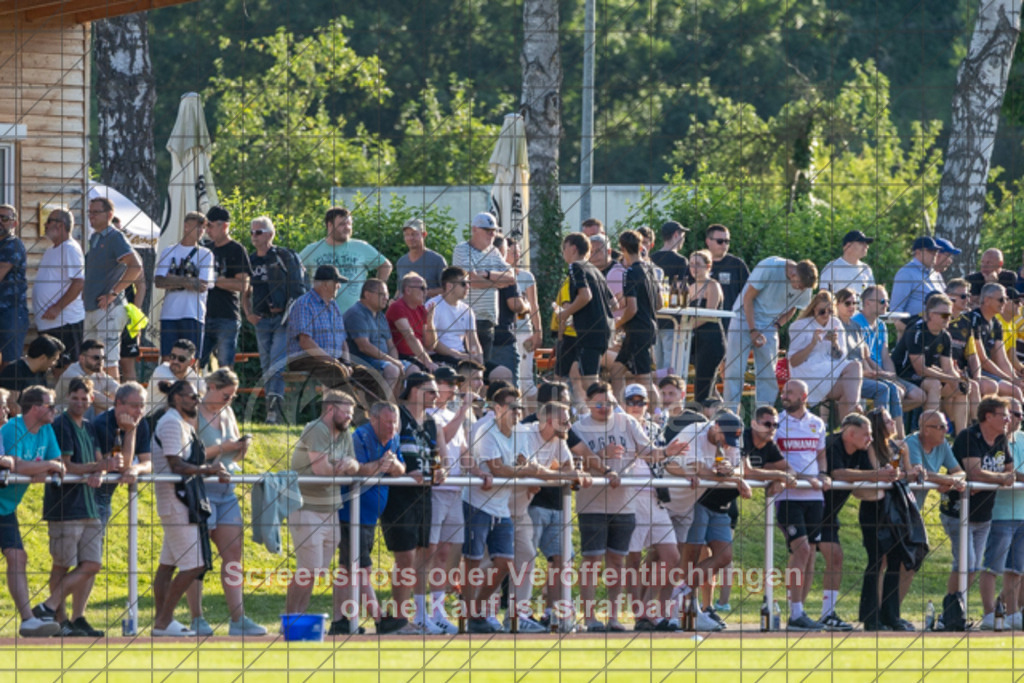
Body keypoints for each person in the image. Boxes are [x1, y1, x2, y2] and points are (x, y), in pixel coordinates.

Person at [573, 381, 685, 632]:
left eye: (610, 403)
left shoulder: (628, 423)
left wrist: (667, 451)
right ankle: (590, 618)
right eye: (600, 404)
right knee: (591, 561)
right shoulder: (578, 428)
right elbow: (574, 464)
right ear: (590, 403)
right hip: (592, 504)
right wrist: (603, 454)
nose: (605, 408)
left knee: (617, 562)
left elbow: (649, 453)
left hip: (624, 503)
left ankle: (613, 617)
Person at [185, 369, 266, 636]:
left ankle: (238, 618)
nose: (228, 400)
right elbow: (190, 456)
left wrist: (241, 448)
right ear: (210, 387)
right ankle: (197, 618)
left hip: (226, 490)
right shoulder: (193, 413)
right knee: (198, 558)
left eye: (232, 396)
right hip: (201, 491)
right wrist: (226, 447)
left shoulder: (228, 412)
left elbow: (233, 455)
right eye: (225, 395)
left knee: (233, 557)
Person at [150, 380, 229, 636]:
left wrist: (213, 469)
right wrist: (209, 469)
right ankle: (163, 621)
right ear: (176, 399)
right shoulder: (171, 422)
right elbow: (176, 465)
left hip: (184, 499)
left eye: (197, 396)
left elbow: (189, 463)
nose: (196, 400)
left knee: (167, 565)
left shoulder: (182, 422)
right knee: (195, 564)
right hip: (177, 500)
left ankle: (163, 623)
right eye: (191, 396)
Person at [461, 387, 540, 633]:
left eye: (519, 407)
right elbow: (497, 469)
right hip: (477, 504)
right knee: (473, 562)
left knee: (505, 562)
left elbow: (524, 463)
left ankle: (475, 611)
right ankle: (467, 617)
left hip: (501, 506)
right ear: (497, 409)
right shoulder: (486, 431)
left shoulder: (520, 433)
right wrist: (524, 471)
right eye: (512, 406)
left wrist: (523, 469)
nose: (518, 412)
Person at [37, 378, 109, 636]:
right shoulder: (61, 425)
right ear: (68, 398)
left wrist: (99, 472)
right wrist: (97, 468)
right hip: (65, 506)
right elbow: (66, 466)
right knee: (62, 564)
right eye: (75, 397)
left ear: (91, 399)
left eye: (84, 398)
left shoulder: (89, 427)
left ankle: (54, 608)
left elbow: (98, 462)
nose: (80, 402)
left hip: (89, 506)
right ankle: (60, 619)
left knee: (92, 564)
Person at [283, 390, 360, 619]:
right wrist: (343, 467)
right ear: (330, 409)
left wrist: (347, 464)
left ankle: (297, 618)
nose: (349, 418)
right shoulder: (316, 429)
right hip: (307, 508)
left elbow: (355, 465)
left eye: (351, 413)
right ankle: (290, 618)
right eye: (345, 413)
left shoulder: (344, 432)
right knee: (308, 570)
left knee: (315, 572)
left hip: (330, 510)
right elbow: (322, 471)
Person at [335, 400, 406, 636]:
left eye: (394, 423)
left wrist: (392, 464)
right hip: (351, 513)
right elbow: (358, 470)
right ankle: (379, 619)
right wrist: (381, 465)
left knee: (347, 568)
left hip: (369, 516)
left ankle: (341, 620)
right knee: (360, 566)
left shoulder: (394, 438)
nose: (391, 428)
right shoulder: (360, 437)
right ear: (373, 419)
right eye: (387, 422)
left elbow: (401, 469)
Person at [383, 373, 446, 635]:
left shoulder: (432, 422)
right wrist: (403, 473)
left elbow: (441, 457)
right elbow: (384, 449)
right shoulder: (397, 414)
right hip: (398, 493)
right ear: (412, 391)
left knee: (422, 555)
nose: (436, 396)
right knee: (405, 557)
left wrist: (441, 470)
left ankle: (415, 616)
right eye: (430, 391)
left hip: (424, 494)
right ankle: (398, 618)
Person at [0, 386, 66, 637]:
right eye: (50, 405)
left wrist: (41, 468)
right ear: (36, 407)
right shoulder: (12, 428)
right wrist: (43, 466)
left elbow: (58, 465)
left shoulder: (46, 430)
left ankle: (28, 620)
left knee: (18, 557)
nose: (54, 410)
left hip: (5, 508)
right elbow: (16, 464)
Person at [679, 410, 753, 631]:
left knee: (723, 556)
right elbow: (697, 467)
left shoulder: (732, 441)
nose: (727, 444)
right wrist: (732, 477)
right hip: (697, 499)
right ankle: (687, 606)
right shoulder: (695, 433)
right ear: (715, 427)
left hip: (720, 505)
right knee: (690, 553)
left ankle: (681, 593)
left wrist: (732, 471)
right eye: (725, 438)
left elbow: (740, 467)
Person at [767, 379, 830, 631]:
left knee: (810, 554)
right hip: (789, 496)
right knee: (801, 550)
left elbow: (820, 454)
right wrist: (799, 477)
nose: (785, 395)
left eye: (790, 392)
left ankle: (800, 613)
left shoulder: (817, 423)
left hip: (814, 497)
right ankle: (795, 613)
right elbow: (773, 457)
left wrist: (823, 474)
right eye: (784, 392)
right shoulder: (777, 423)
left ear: (803, 396)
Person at [953, 396, 1015, 628]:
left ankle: (956, 612)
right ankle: (951, 613)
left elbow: (1009, 471)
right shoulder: (968, 436)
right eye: (1004, 415)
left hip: (984, 513)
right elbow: (974, 472)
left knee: (973, 566)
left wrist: (1002, 478)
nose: (1008, 420)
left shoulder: (1000, 439)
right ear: (988, 416)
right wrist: (1001, 478)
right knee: (966, 564)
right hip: (959, 510)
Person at [723, 256, 817, 408]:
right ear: (793, 274)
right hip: (743, 318)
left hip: (769, 325)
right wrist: (753, 329)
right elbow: (748, 298)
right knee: (735, 370)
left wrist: (777, 326)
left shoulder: (805, 284)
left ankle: (764, 416)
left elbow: (793, 307)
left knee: (768, 375)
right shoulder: (769, 266)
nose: (801, 290)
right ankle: (729, 415)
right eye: (799, 286)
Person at [900, 410, 965, 605]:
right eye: (941, 427)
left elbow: (960, 472)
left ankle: (893, 612)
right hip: (896, 510)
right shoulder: (913, 442)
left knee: (910, 563)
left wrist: (949, 481)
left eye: (946, 426)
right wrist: (945, 480)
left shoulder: (942, 445)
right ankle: (882, 614)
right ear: (925, 430)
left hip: (912, 513)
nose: (946, 431)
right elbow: (920, 474)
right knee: (892, 563)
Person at [849, 409, 906, 631]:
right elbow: (878, 473)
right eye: (887, 420)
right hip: (873, 507)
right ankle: (871, 616)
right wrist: (890, 473)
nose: (893, 422)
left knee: (896, 559)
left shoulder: (897, 448)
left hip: (894, 506)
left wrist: (913, 470)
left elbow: (901, 473)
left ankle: (891, 615)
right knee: (876, 560)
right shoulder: (871, 447)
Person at [243, 216, 298, 424]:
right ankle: (271, 411)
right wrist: (248, 313)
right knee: (267, 364)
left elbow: (297, 286)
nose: (253, 237)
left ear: (269, 234)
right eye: (251, 232)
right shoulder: (250, 260)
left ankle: (274, 412)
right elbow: (244, 290)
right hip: (262, 320)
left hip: (283, 319)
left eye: (258, 232)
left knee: (276, 362)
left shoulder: (282, 256)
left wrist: (286, 307)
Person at [891, 294, 972, 432]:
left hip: (926, 376)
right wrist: (950, 378)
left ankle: (960, 437)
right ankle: (929, 433)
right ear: (932, 315)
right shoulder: (917, 331)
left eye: (950, 315)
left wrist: (959, 380)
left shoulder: (945, 335)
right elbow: (920, 369)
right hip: (904, 373)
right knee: (934, 384)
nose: (949, 319)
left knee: (961, 389)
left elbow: (947, 368)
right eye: (945, 315)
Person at [83, 197, 143, 381]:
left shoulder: (115, 236)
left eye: (96, 212)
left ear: (109, 215)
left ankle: (115, 407)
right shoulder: (94, 237)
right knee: (89, 364)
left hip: (109, 308)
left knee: (109, 363)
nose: (91, 216)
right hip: (92, 307)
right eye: (89, 212)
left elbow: (136, 266)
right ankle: (96, 407)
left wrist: (113, 293)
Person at [834, 288, 906, 435]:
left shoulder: (854, 327)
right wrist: (871, 373)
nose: (852, 307)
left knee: (893, 388)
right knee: (884, 389)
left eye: (854, 303)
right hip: (845, 377)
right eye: (848, 303)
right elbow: (840, 360)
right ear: (837, 305)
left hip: (861, 373)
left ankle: (899, 436)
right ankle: (880, 435)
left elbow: (864, 357)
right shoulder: (836, 327)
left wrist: (881, 373)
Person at [299, 207, 392, 315]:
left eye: (349, 224)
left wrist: (376, 293)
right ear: (329, 225)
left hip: (356, 316)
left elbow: (385, 266)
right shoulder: (312, 249)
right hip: (320, 315)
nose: (347, 227)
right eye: (342, 224)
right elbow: (294, 270)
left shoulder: (361, 247)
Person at [851, 285, 927, 419]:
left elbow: (885, 356)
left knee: (919, 396)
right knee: (897, 391)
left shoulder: (881, 325)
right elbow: (864, 360)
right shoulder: (855, 323)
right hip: (868, 373)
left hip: (883, 374)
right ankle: (888, 427)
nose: (886, 305)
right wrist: (888, 378)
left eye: (887, 301)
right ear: (867, 302)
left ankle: (876, 417)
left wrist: (893, 376)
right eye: (882, 301)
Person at [786, 290, 862, 419]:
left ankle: (847, 428)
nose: (826, 315)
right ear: (814, 309)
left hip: (828, 369)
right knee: (853, 371)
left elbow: (840, 357)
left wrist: (834, 343)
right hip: (808, 372)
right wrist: (813, 343)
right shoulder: (800, 326)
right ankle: (854, 410)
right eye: (822, 311)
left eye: (830, 311)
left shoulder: (835, 323)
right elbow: (793, 362)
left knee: (852, 374)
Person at [982, 398, 1024, 630]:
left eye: (1018, 414)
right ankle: (989, 614)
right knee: (993, 567)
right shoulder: (991, 441)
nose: (1016, 418)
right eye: (1012, 413)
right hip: (998, 512)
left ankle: (1012, 612)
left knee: (1016, 569)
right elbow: (1012, 476)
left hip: (1022, 512)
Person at [556, 234, 615, 398]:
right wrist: (583, 316)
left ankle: (614, 413)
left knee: (590, 382)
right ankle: (597, 412)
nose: (563, 252)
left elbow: (586, 295)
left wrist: (566, 313)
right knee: (585, 379)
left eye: (564, 248)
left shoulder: (575, 267)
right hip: (604, 330)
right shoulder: (594, 269)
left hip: (591, 333)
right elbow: (613, 302)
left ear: (573, 248)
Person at [451, 212, 515, 360]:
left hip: (488, 321)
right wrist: (498, 283)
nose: (492, 234)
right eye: (487, 230)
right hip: (467, 320)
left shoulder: (493, 252)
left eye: (494, 231)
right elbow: (472, 281)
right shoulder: (462, 249)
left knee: (483, 370)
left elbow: (511, 277)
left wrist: (486, 274)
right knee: (469, 368)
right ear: (474, 230)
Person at [154, 211, 215, 359]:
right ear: (186, 227)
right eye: (197, 227)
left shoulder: (206, 254)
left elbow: (202, 285)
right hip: (169, 313)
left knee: (191, 360)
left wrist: (174, 279)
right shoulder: (169, 251)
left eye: (203, 228)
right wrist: (188, 281)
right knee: (167, 358)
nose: (201, 231)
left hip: (193, 313)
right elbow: (159, 281)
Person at [611, 230, 661, 406]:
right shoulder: (650, 269)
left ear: (622, 248)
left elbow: (632, 309)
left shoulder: (631, 272)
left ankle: (658, 414)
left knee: (645, 379)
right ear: (641, 246)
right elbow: (659, 303)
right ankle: (620, 411)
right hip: (648, 327)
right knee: (617, 370)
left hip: (638, 330)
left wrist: (617, 324)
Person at [200, 205, 252, 369]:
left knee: (225, 368)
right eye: (205, 225)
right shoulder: (204, 250)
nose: (207, 230)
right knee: (195, 363)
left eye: (210, 225)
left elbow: (243, 285)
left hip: (226, 316)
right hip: (202, 314)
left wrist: (214, 281)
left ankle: (225, 394)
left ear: (224, 226)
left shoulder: (237, 250)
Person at [285, 265, 352, 390]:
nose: (339, 286)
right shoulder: (304, 304)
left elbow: (343, 340)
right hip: (304, 360)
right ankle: (352, 408)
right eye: (336, 282)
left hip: (332, 360)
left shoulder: (334, 305)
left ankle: (381, 408)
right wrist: (334, 362)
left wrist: (347, 363)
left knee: (365, 374)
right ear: (326, 284)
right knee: (335, 371)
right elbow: (305, 342)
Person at [33, 209, 85, 367]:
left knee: (66, 370)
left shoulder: (70, 248)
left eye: (49, 221)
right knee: (55, 369)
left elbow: (79, 282)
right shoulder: (52, 249)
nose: (45, 225)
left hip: (65, 322)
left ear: (61, 225)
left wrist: (57, 307)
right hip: (50, 323)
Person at [344, 278, 404, 396]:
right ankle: (381, 408)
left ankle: (397, 410)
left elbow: (390, 345)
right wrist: (392, 362)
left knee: (412, 370)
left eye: (387, 295)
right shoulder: (356, 313)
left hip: (383, 360)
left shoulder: (381, 316)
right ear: (367, 294)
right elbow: (364, 347)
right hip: (361, 360)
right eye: (382, 294)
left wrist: (396, 361)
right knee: (392, 370)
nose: (386, 298)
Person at [965, 283, 1023, 401]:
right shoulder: (974, 319)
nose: (1005, 303)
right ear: (987, 300)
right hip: (969, 369)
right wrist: (1009, 379)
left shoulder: (996, 323)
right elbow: (983, 359)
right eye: (1001, 299)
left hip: (986, 371)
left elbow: (1002, 360)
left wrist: (1015, 379)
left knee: (1018, 388)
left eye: (1006, 299)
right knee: (1014, 390)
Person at [505, 238, 543, 396]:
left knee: (526, 379)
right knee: (509, 379)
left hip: (523, 329)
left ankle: (532, 416)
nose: (517, 256)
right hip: (506, 331)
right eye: (513, 252)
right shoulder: (498, 276)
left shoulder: (527, 277)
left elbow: (534, 306)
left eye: (519, 253)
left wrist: (538, 331)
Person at [687, 250, 726, 402]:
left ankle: (703, 419)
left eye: (698, 265)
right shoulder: (691, 287)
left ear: (708, 266)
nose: (693, 268)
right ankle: (723, 413)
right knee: (707, 385)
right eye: (691, 265)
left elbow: (710, 314)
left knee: (702, 386)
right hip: (697, 341)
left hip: (712, 339)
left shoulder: (713, 286)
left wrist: (687, 327)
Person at [428, 266, 482, 366]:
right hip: (440, 357)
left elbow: (473, 342)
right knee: (469, 372)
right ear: (449, 286)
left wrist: (478, 359)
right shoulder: (432, 305)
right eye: (463, 284)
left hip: (461, 355)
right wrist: (457, 355)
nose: (468, 287)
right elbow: (432, 343)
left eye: (468, 283)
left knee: (502, 372)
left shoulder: (467, 310)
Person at [387, 272, 438, 372]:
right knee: (423, 373)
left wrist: (429, 321)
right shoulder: (397, 307)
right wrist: (427, 362)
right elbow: (410, 337)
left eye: (427, 289)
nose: (426, 292)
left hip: (417, 356)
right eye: (422, 288)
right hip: (401, 356)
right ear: (408, 290)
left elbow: (430, 345)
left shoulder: (421, 309)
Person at [0, 334, 65, 411]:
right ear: (43, 358)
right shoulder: (14, 371)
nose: (54, 363)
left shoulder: (41, 372)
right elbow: (11, 405)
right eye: (54, 359)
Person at [55, 340, 119, 417]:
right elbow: (95, 397)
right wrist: (120, 408)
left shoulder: (97, 372)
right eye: (96, 358)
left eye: (103, 358)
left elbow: (118, 389)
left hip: (82, 416)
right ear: (82, 358)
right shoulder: (72, 375)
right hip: (62, 418)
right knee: (92, 405)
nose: (101, 362)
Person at [705, 224, 749, 329]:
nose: (724, 245)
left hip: (731, 323)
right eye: (720, 241)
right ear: (708, 241)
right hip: (703, 324)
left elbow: (749, 293)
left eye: (727, 241)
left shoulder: (736, 264)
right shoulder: (699, 263)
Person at [0, 204, 28, 368]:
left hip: (11, 311)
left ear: (14, 224)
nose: (0, 222)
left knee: (10, 364)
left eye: (4, 218)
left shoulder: (13, 244)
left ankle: (13, 395)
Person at [147, 339, 206, 416]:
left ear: (191, 362)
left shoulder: (190, 373)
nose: (175, 361)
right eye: (173, 356)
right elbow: (179, 392)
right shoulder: (161, 371)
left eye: (181, 359)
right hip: (152, 420)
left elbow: (207, 390)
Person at [890, 236, 943, 317]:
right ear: (918, 252)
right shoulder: (906, 273)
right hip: (915, 327)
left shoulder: (935, 274)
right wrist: (907, 328)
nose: (935, 254)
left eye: (936, 251)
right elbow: (896, 310)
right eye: (931, 251)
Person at [396, 218, 446, 298]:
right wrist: (394, 301)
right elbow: (399, 290)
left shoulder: (437, 260)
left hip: (430, 309)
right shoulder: (401, 262)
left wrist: (423, 292)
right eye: (407, 234)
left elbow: (447, 289)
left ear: (424, 235)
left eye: (414, 234)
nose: (410, 238)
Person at [818, 230, 876, 295]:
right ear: (848, 246)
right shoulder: (831, 268)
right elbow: (824, 298)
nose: (866, 246)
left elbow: (871, 298)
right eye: (861, 243)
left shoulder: (866, 270)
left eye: (866, 244)